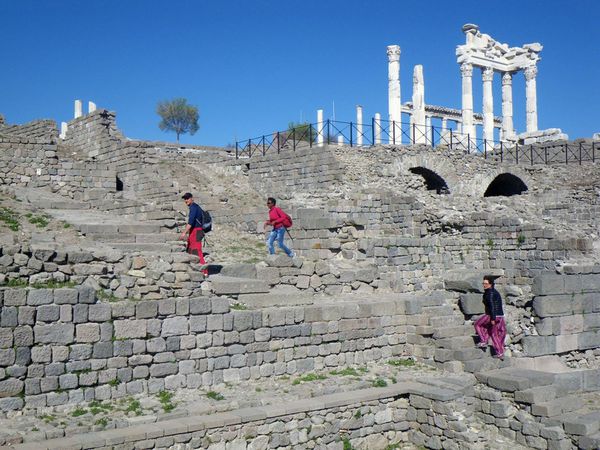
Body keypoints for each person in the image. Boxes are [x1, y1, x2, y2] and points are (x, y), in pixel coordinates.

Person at [474, 275, 506, 359]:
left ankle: (484, 341)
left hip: (492, 315)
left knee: (477, 324)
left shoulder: (490, 293)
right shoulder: (493, 292)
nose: (484, 285)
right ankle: (500, 352)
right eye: (483, 283)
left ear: (490, 284)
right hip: (500, 315)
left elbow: (492, 306)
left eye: (486, 283)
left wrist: (492, 318)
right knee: (493, 333)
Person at [179, 192, 208, 275]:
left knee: (197, 250)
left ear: (192, 198)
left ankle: (204, 271)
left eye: (187, 198)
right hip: (195, 231)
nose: (186, 200)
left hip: (196, 231)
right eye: (185, 199)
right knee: (190, 249)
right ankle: (194, 269)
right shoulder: (195, 207)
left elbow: (190, 223)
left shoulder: (194, 207)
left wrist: (183, 233)